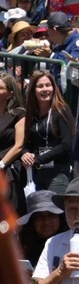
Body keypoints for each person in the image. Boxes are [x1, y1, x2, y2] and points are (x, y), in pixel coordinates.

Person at [20, 70, 74, 194]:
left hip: (58, 173)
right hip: (37, 174)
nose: (45, 89)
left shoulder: (61, 110)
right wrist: (25, 154)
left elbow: (66, 145)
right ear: (33, 90)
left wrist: (39, 159)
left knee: (54, 211)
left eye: (48, 85)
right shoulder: (32, 114)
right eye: (40, 86)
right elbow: (27, 143)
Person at [16, 189, 64, 267]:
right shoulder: (21, 247)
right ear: (32, 221)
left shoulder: (71, 242)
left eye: (51, 215)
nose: (46, 222)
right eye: (39, 216)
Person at [0, 70, 24, 211]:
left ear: (10, 94)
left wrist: (2, 164)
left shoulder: (18, 114)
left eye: (0, 88)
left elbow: (19, 145)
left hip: (8, 169)